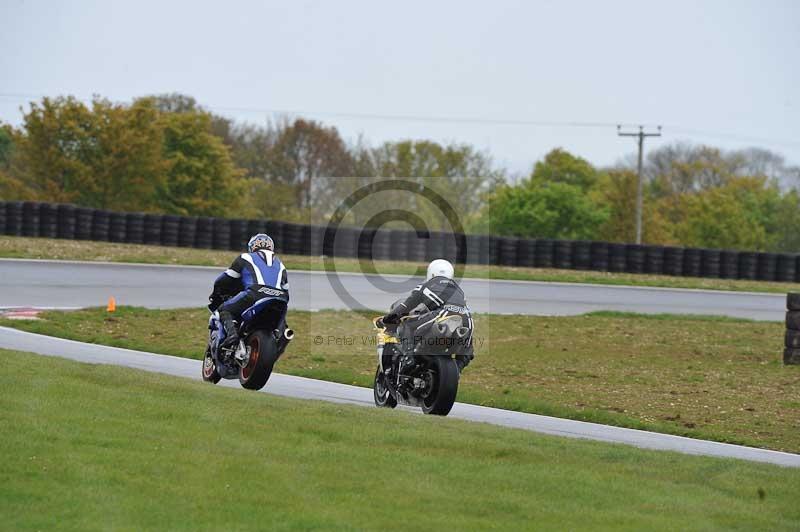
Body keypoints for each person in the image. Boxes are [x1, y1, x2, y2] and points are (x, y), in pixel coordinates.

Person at [380, 259, 474, 371]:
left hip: (443, 315)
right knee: (468, 348)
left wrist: (388, 319)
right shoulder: (459, 291)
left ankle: (409, 357)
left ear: (431, 273)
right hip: (466, 321)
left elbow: (406, 307)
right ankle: (457, 370)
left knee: (408, 322)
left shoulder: (426, 286)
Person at [208, 233, 289, 349]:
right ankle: (278, 340)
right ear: (271, 247)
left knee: (224, 309)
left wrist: (216, 294)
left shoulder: (245, 257)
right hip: (279, 299)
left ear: (252, 246)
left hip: (254, 294)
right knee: (282, 329)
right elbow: (287, 292)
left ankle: (232, 335)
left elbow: (223, 280)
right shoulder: (281, 265)